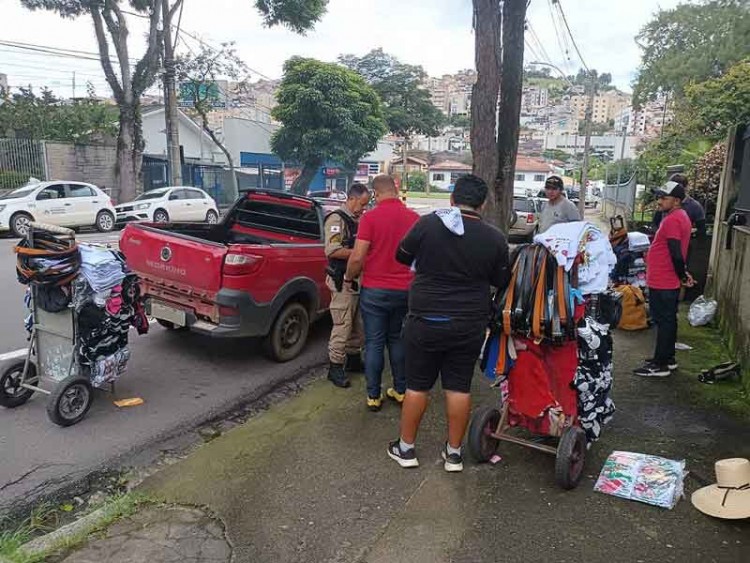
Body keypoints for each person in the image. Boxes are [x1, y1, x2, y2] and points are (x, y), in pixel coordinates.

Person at [386, 174, 511, 472]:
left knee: (417, 386)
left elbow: (401, 255)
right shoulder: (494, 238)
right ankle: (454, 454)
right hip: (469, 323)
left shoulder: (429, 224)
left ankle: (406, 449)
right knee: (458, 387)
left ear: (452, 199)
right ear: (483, 203)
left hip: (425, 319)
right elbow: (501, 280)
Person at [345, 175, 419, 411]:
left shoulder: (370, 218)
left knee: (375, 342)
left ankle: (373, 396)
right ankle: (400, 390)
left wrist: (349, 277)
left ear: (376, 194)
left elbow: (357, 256)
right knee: (397, 340)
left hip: (375, 291)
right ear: (395, 190)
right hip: (406, 291)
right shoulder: (415, 219)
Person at [634, 180, 695, 378]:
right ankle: (667, 358)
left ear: (676, 201)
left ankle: (660, 364)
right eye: (659, 197)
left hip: (664, 279)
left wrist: (681, 275)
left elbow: (676, 252)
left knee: (663, 320)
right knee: (667, 319)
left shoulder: (672, 220)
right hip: (666, 277)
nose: (659, 201)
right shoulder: (677, 216)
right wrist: (682, 273)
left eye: (664, 198)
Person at [324, 183, 372, 388]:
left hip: (357, 281)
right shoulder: (337, 219)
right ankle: (335, 367)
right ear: (351, 199)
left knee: (357, 324)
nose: (364, 208)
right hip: (342, 281)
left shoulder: (358, 220)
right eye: (362, 203)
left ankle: (353, 360)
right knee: (342, 324)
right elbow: (332, 250)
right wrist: (360, 253)